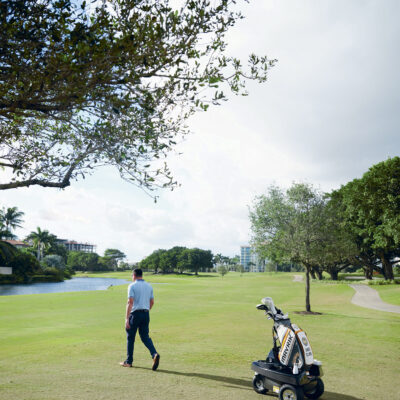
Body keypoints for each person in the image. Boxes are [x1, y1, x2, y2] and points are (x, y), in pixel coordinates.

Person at [120, 268, 160, 370]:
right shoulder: (149, 286)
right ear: (141, 275)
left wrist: (126, 319)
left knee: (130, 337)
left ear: (134, 275)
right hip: (146, 314)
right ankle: (154, 354)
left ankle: (128, 362)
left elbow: (130, 302)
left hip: (135, 314)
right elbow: (152, 302)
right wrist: (146, 311)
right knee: (145, 337)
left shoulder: (132, 286)